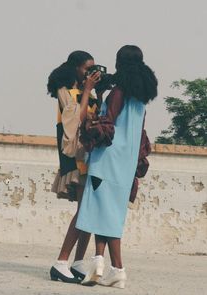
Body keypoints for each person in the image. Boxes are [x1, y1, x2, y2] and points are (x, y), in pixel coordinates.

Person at [75, 45, 158, 288]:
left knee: (103, 210)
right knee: (110, 213)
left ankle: (114, 267)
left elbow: (106, 124)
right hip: (127, 162)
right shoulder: (140, 99)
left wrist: (89, 124)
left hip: (107, 159)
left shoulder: (118, 93)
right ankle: (102, 263)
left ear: (120, 64)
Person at [47, 51, 101, 283]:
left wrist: (98, 93)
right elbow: (74, 121)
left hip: (90, 157)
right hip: (76, 158)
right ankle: (61, 262)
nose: (90, 73)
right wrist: (88, 90)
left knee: (88, 211)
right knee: (84, 211)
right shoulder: (65, 91)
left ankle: (78, 262)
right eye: (87, 69)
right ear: (76, 68)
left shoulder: (88, 92)